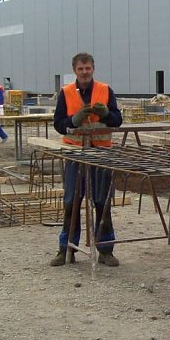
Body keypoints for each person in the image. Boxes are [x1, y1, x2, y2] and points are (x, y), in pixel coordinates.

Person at [50, 52, 123, 267]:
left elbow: (117, 120)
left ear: (93, 69)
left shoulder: (105, 90)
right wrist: (74, 120)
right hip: (75, 154)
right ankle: (66, 250)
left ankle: (106, 250)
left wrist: (106, 113)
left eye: (88, 68)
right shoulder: (66, 93)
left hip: (100, 155)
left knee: (102, 203)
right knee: (71, 202)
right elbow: (58, 123)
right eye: (81, 69)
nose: (84, 72)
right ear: (75, 70)